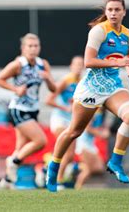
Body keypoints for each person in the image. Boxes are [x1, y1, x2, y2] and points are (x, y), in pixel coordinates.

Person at [46, 0, 129, 192]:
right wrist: (117, 63)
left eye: (117, 9)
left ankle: (115, 161)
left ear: (124, 12)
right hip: (91, 88)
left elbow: (128, 55)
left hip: (113, 86)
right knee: (74, 132)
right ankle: (53, 169)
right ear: (106, 12)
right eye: (110, 9)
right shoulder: (99, 31)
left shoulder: (128, 35)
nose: (113, 13)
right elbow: (88, 61)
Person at [0, 33, 56, 186]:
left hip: (33, 110)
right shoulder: (18, 64)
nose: (33, 49)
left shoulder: (43, 64)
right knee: (40, 141)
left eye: (36, 46)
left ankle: (7, 181)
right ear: (23, 48)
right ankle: (13, 163)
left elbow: (53, 89)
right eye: (30, 46)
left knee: (21, 148)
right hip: (18, 109)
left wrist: (47, 78)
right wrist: (15, 89)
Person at [45, 56, 84, 187]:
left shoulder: (83, 82)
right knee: (67, 152)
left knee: (71, 155)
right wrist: (65, 107)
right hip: (59, 119)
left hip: (71, 120)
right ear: (71, 66)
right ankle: (57, 180)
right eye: (76, 64)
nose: (79, 67)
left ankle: (50, 171)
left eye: (81, 64)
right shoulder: (65, 81)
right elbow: (49, 100)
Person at [75, 109, 109, 189]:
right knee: (90, 169)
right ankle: (75, 167)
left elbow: (101, 128)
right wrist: (101, 134)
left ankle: (77, 169)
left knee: (98, 168)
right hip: (84, 144)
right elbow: (87, 128)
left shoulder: (100, 115)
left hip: (91, 145)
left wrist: (105, 131)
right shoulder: (92, 112)